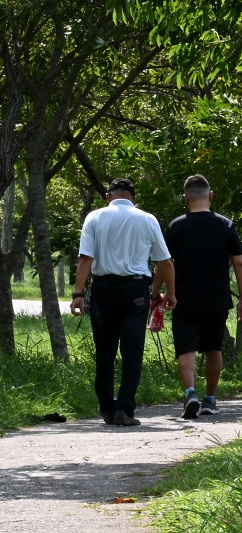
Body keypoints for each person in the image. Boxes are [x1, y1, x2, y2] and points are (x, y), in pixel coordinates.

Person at [70, 178, 174, 427]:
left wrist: (78, 294)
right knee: (132, 350)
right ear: (133, 199)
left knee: (104, 351)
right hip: (135, 290)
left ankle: (106, 406)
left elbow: (85, 258)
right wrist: (170, 293)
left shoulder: (94, 217)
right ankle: (125, 410)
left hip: (103, 290)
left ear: (108, 197)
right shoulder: (147, 219)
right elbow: (165, 262)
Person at [165, 174, 242, 419]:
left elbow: (165, 263)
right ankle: (210, 399)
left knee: (186, 348)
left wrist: (161, 292)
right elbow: (239, 262)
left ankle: (190, 391)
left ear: (185, 198)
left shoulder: (176, 226)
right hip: (216, 297)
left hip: (184, 298)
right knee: (213, 348)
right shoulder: (226, 225)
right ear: (210, 196)